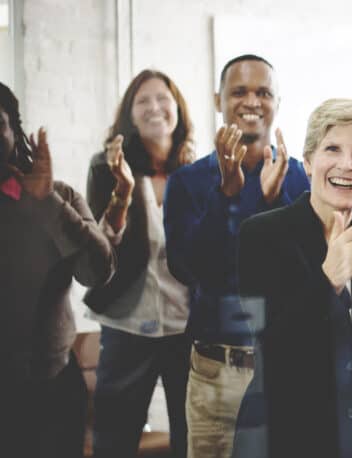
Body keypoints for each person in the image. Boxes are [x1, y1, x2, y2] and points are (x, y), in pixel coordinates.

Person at [236, 98, 352, 457]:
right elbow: (272, 349)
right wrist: (329, 279)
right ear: (308, 162)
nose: (346, 164)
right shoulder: (262, 235)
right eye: (332, 148)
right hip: (289, 433)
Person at [162, 54, 309, 458]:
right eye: (239, 91)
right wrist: (227, 197)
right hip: (214, 372)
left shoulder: (301, 179)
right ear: (218, 99)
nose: (251, 101)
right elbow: (190, 269)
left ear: (278, 101)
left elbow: (302, 276)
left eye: (263, 92)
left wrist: (269, 205)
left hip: (286, 368)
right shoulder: (188, 182)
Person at [0, 81, 115, 458]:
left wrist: (46, 202)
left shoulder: (59, 198)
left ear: (14, 133)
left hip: (52, 391)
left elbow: (98, 273)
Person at [85, 69, 196, 458]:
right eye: (142, 101)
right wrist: (122, 195)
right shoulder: (106, 167)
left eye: (162, 98)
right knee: (114, 439)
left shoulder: (198, 172)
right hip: (127, 325)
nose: (154, 108)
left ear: (177, 109)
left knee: (193, 438)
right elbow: (100, 248)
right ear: (129, 115)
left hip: (187, 325)